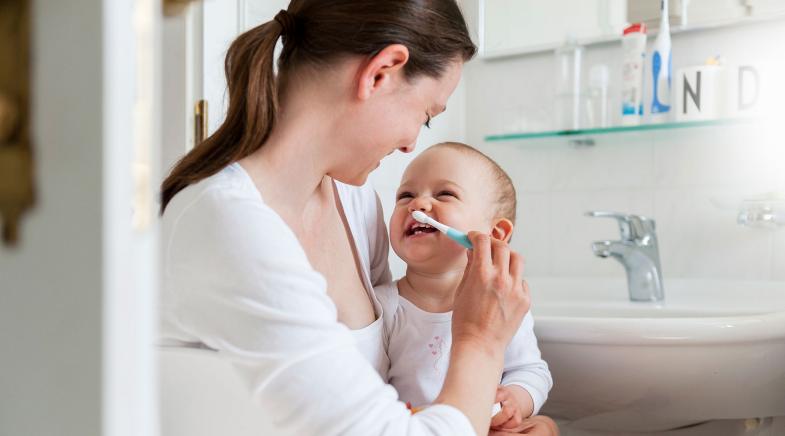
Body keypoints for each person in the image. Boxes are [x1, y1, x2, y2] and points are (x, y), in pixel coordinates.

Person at [159, 1, 557, 434]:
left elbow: (380, 403)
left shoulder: (356, 203)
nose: (410, 145)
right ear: (382, 71)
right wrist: (480, 340)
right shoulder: (228, 222)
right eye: (425, 117)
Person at [377, 142, 555, 434]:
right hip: (419, 427)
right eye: (405, 195)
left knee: (544, 427)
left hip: (485, 425)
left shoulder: (503, 304)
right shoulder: (385, 306)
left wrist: (516, 401)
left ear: (494, 234)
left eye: (445, 194)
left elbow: (531, 371)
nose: (417, 205)